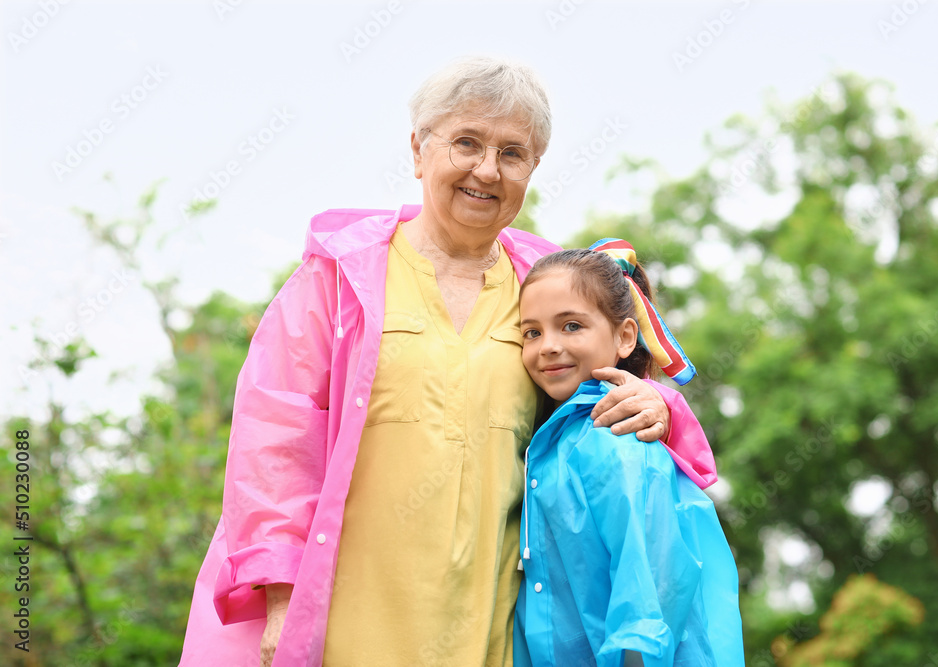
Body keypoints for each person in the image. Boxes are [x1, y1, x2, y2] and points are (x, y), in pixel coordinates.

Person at [177, 57, 720, 667]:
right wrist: (281, 602)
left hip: (490, 630)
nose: (486, 170)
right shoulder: (335, 280)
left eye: (512, 153)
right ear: (418, 150)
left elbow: (617, 384)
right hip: (343, 626)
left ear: (533, 168)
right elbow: (273, 440)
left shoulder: (546, 288)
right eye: (466, 143)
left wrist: (659, 404)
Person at [513, 240, 743, 666]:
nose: (547, 345)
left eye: (571, 326)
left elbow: (648, 594)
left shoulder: (615, 438)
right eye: (532, 332)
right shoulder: (553, 443)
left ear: (624, 336)